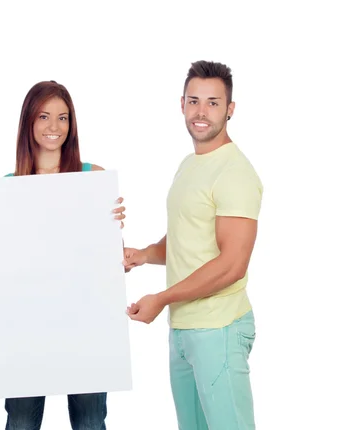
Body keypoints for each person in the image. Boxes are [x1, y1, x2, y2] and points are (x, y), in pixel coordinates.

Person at [0, 80, 126, 430]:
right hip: (24, 330)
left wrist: (113, 231)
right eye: (44, 116)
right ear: (29, 122)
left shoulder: (94, 178)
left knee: (91, 422)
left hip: (85, 326)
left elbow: (112, 265)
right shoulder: (5, 187)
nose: (54, 127)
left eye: (63, 118)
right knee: (20, 423)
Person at [124, 61, 263, 430]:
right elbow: (187, 237)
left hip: (219, 328)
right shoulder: (190, 164)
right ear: (182, 104)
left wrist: (162, 298)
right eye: (194, 101)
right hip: (183, 329)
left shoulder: (235, 172)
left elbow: (233, 264)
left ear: (230, 109)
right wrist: (142, 255)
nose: (201, 112)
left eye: (213, 102)